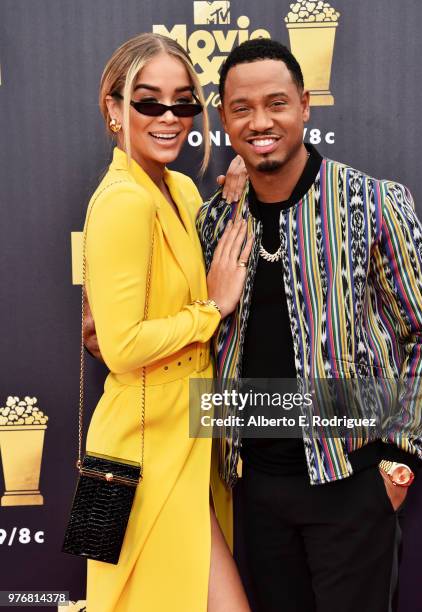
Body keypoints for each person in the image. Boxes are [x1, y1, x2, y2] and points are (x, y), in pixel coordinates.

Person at [195, 38, 422, 612]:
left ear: (305, 105)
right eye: (241, 108)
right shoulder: (213, 222)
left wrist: (400, 459)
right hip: (252, 489)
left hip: (353, 484)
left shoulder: (373, 203)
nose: (261, 121)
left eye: (277, 103)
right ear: (224, 119)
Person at [82, 32, 252, 612]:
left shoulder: (178, 188)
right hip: (144, 443)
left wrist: (233, 196)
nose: (170, 117)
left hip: (188, 427)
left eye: (183, 103)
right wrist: (211, 310)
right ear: (113, 108)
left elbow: (182, 261)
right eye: (148, 101)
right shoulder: (122, 201)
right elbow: (124, 346)